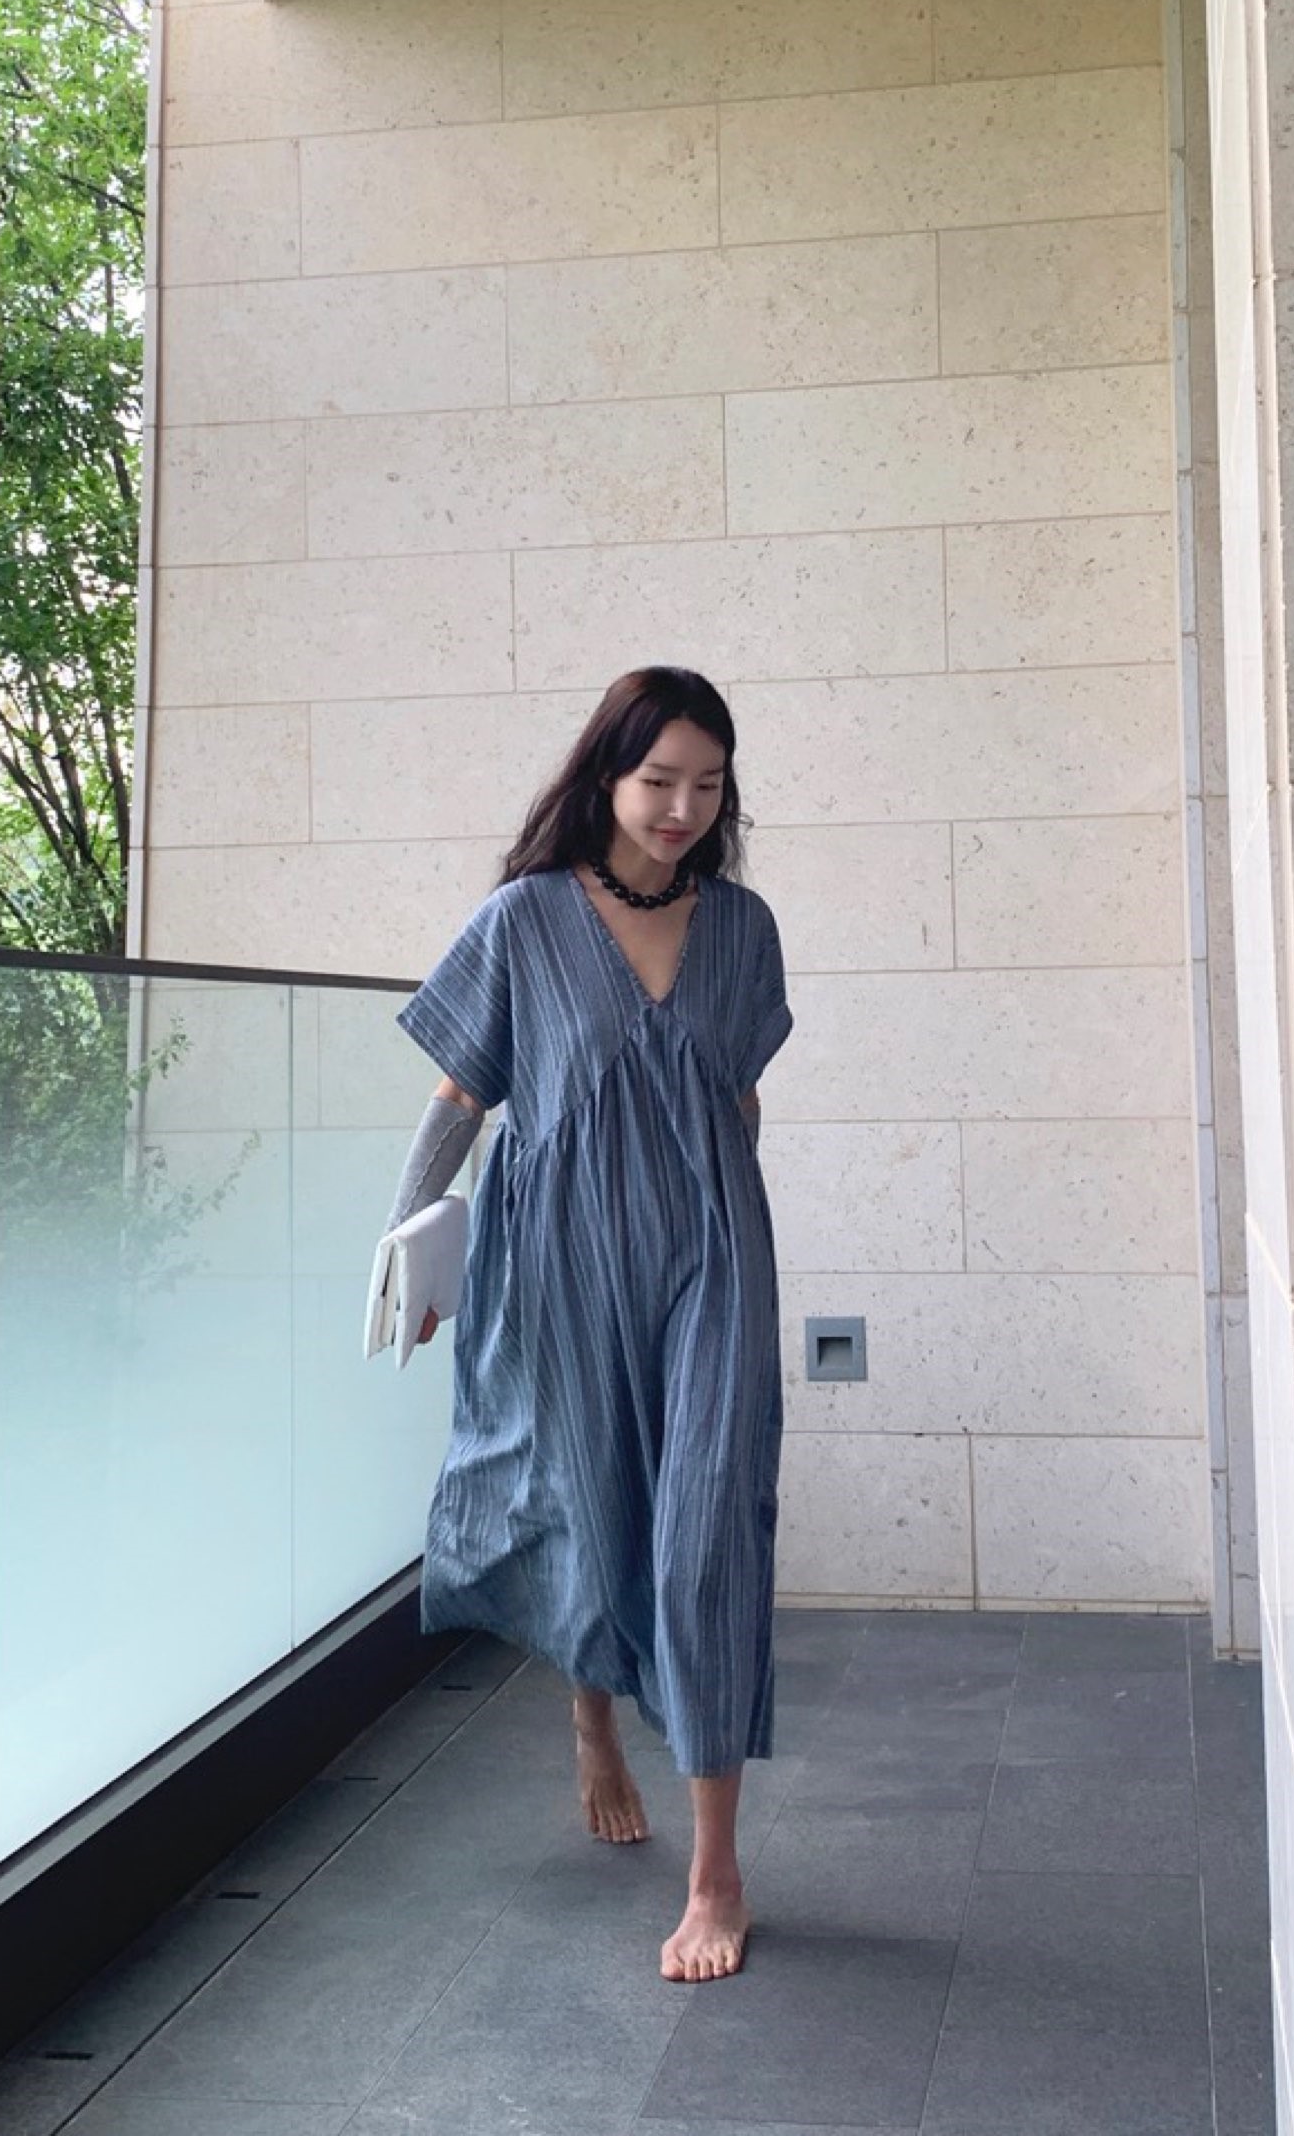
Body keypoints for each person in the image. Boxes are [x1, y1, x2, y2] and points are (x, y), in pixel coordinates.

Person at [382, 665, 793, 1983]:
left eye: (707, 785)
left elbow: (736, 1098)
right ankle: (592, 1719)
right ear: (606, 777)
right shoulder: (523, 919)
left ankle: (716, 1872)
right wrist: (402, 1251)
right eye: (658, 779)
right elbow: (461, 1097)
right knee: (584, 1497)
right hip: (558, 1260)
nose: (682, 808)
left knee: (705, 1531)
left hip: (712, 1254)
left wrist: (722, 1210)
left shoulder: (742, 929)